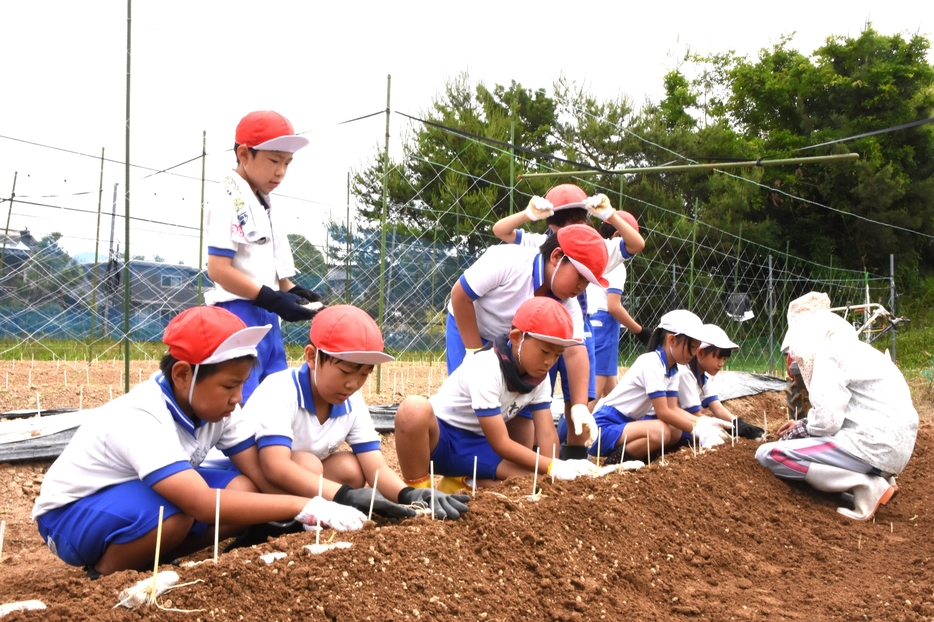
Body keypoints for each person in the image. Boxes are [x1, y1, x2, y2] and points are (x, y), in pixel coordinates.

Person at [32, 307, 367, 577]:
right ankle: (106, 574)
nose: (238, 398)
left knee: (245, 490)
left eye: (242, 385)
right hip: (70, 516)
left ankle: (156, 559)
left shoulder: (219, 411)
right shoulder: (142, 416)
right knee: (174, 516)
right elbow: (202, 503)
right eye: (228, 386)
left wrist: (314, 504)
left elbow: (262, 475)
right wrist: (301, 507)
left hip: (140, 495)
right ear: (182, 375)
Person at [246, 305, 470, 520]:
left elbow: (376, 467)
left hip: (294, 480)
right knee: (309, 465)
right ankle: (282, 520)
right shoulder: (281, 389)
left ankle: (305, 517)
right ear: (312, 357)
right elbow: (275, 466)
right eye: (345, 371)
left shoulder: (351, 402)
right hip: (247, 480)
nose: (353, 384)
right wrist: (344, 495)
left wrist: (410, 495)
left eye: (364, 374)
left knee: (351, 470)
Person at [491, 185, 647, 452]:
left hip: (579, 327)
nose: (568, 229)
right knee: (538, 390)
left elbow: (636, 243)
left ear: (587, 220)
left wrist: (611, 215)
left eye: (578, 220)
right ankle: (538, 454)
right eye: (559, 224)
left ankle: (574, 454)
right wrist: (527, 215)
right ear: (551, 226)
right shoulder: (541, 246)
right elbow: (500, 230)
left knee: (581, 397)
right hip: (542, 329)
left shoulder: (597, 248)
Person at [396, 297, 599, 493]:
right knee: (413, 409)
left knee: (528, 482)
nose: (550, 362)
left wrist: (551, 476)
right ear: (516, 338)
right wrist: (550, 466)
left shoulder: (540, 378)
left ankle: (459, 484)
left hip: (478, 448)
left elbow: (546, 433)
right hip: (441, 439)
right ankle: (419, 497)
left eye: (557, 355)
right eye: (545, 351)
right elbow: (500, 442)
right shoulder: (486, 367)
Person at [446, 223, 609, 451]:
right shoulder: (507, 261)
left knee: (520, 431)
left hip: (518, 345)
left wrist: (580, 406)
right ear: (557, 256)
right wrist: (473, 353)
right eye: (580, 276)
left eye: (587, 283)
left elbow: (574, 352)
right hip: (473, 327)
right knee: (471, 406)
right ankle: (462, 467)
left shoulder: (569, 305)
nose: (582, 287)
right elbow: (460, 296)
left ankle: (509, 473)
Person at [756, 292, 918, 521]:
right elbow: (845, 411)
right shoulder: (856, 350)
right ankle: (878, 478)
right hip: (893, 448)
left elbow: (828, 422)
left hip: (872, 446)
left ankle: (865, 484)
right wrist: (805, 424)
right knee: (808, 443)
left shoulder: (828, 355)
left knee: (769, 453)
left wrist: (798, 432)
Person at [205, 110, 320, 404]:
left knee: (274, 401)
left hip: (267, 317)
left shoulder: (264, 202)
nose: (280, 171)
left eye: (287, 163)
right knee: (242, 403)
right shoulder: (228, 199)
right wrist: (270, 298)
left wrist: (291, 291)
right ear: (245, 153)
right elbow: (218, 269)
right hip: (239, 314)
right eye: (273, 161)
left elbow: (264, 267)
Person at [581, 310, 732, 463]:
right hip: (602, 428)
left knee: (674, 430)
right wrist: (698, 429)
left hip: (625, 426)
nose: (693, 354)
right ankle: (615, 461)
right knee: (661, 430)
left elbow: (673, 409)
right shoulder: (651, 363)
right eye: (692, 347)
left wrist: (702, 423)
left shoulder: (673, 370)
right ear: (672, 340)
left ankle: (641, 460)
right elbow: (663, 412)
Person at [588, 220, 651, 402]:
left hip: (592, 322)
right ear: (617, 235)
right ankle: (569, 431)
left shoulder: (593, 257)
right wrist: (640, 331)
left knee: (611, 390)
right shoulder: (616, 264)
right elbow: (613, 306)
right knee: (591, 395)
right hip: (605, 326)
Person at [678, 324, 764, 439]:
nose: (721, 364)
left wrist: (738, 424)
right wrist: (723, 427)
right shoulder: (686, 374)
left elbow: (717, 408)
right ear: (701, 353)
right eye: (718, 357)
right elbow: (694, 415)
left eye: (724, 359)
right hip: (677, 426)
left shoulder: (703, 377)